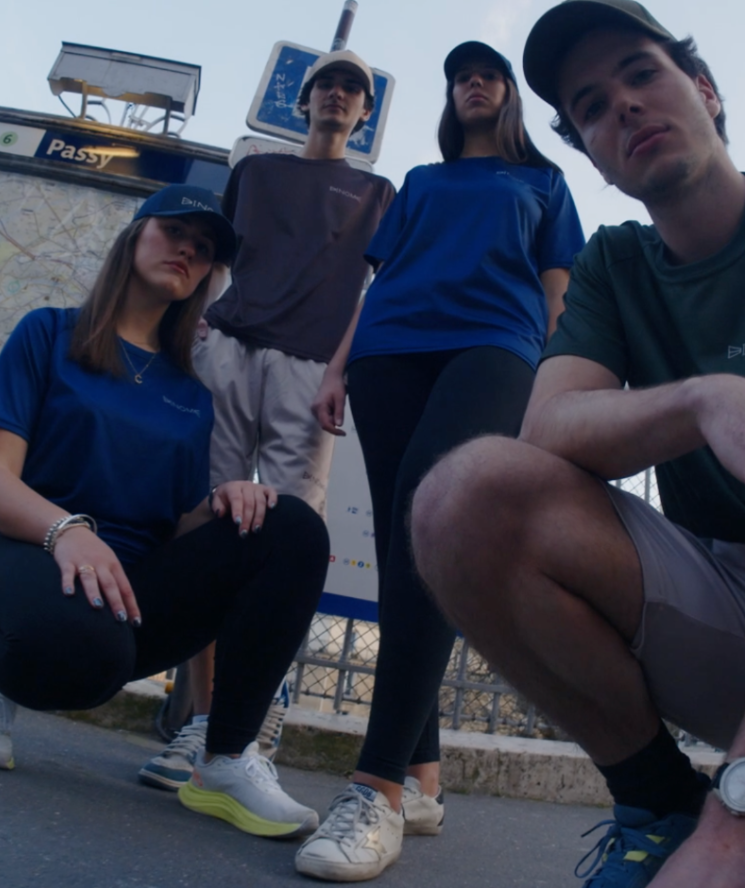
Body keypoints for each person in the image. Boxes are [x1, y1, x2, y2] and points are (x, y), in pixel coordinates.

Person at [411, 2, 745, 886]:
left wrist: (736, 824)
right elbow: (549, 427)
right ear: (591, 155)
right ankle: (656, 804)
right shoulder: (616, 264)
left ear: (706, 91)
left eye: (642, 74)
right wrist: (703, 401)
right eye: (592, 106)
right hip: (723, 594)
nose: (623, 105)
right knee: (464, 494)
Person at [296, 41, 584, 881]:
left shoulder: (543, 183)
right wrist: (337, 366)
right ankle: (421, 778)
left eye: (487, 74)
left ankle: (376, 789)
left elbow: (559, 293)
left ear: (509, 94)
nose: (473, 84)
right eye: (461, 76)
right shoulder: (420, 182)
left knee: (434, 514)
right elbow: (378, 282)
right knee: (403, 556)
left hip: (494, 345)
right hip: (390, 350)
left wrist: (558, 389)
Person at [0, 184, 329, 840]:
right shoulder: (48, 333)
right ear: (134, 236)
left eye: (204, 249)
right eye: (175, 232)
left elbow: (175, 525)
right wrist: (66, 531)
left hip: (123, 598)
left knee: (290, 526)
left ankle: (225, 759)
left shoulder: (192, 395)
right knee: (81, 643)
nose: (189, 251)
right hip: (23, 552)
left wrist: (226, 503)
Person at [138, 50, 396, 791]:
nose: (338, 95)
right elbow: (214, 257)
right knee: (207, 523)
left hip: (310, 368)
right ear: (304, 99)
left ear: (364, 113)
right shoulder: (254, 170)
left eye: (352, 89)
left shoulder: (379, 192)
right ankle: (201, 720)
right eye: (327, 84)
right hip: (228, 348)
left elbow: (379, 289)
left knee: (289, 540)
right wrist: (195, 325)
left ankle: (249, 721)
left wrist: (341, 370)